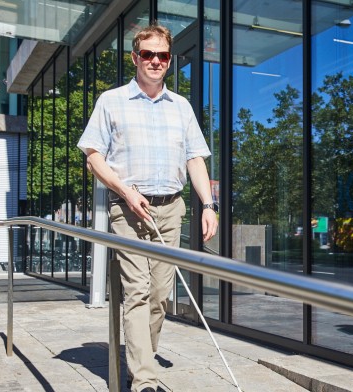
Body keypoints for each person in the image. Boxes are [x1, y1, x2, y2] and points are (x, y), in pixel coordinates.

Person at [77, 23, 218, 392]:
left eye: (163, 55)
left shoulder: (182, 107)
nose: (155, 61)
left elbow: (195, 159)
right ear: (135, 58)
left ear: (169, 60)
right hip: (129, 209)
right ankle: (144, 379)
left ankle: (141, 361)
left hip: (171, 210)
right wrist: (125, 191)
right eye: (148, 54)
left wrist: (209, 204)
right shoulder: (111, 101)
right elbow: (94, 158)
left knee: (159, 296)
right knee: (136, 293)